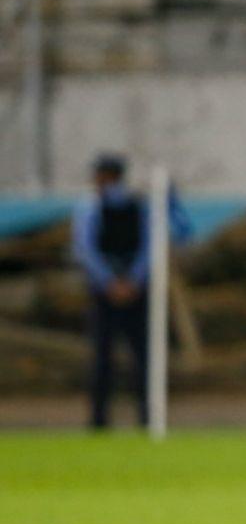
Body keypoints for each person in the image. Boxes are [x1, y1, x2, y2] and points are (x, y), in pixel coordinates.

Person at [71, 153, 150, 429]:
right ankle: (145, 418)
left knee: (106, 357)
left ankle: (101, 420)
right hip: (132, 289)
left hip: (109, 292)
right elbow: (148, 249)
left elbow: (85, 249)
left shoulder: (92, 207)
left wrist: (109, 282)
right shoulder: (138, 205)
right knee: (139, 356)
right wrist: (131, 281)